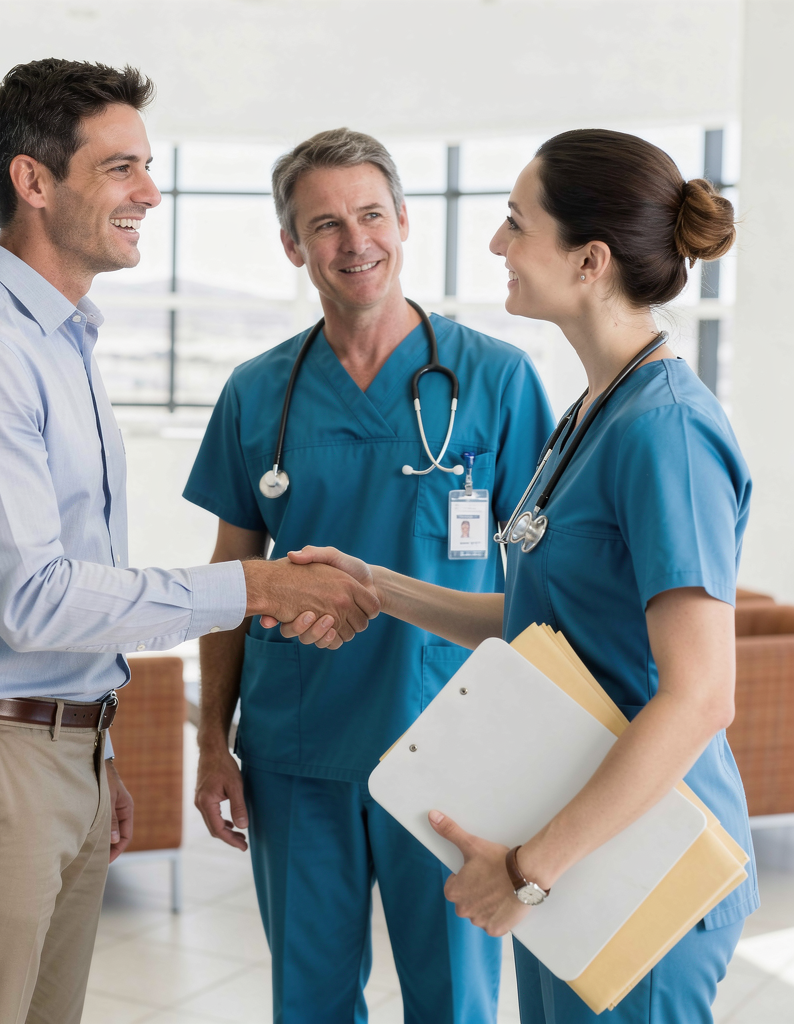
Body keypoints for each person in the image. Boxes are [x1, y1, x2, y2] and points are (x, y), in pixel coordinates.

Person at [0, 60, 379, 1024]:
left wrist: (86, 753)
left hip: (47, 748)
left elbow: (71, 588)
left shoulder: (60, 342)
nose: (150, 191)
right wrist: (257, 590)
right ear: (33, 180)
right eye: (121, 169)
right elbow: (38, 598)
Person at [280, 129, 758, 1023]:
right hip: (573, 846)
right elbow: (541, 623)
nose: (497, 243)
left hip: (641, 856)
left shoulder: (667, 434)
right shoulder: (592, 412)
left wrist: (529, 872)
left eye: (515, 222)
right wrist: (376, 586)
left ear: (589, 259)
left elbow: (699, 698)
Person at [184, 128, 555, 1024]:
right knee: (308, 1001)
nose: (355, 242)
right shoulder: (256, 392)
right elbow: (230, 580)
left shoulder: (496, 380)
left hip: (456, 751)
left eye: (371, 215)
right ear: (291, 245)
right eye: (325, 224)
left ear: (404, 221)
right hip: (297, 748)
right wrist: (210, 742)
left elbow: (549, 587)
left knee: (455, 1002)